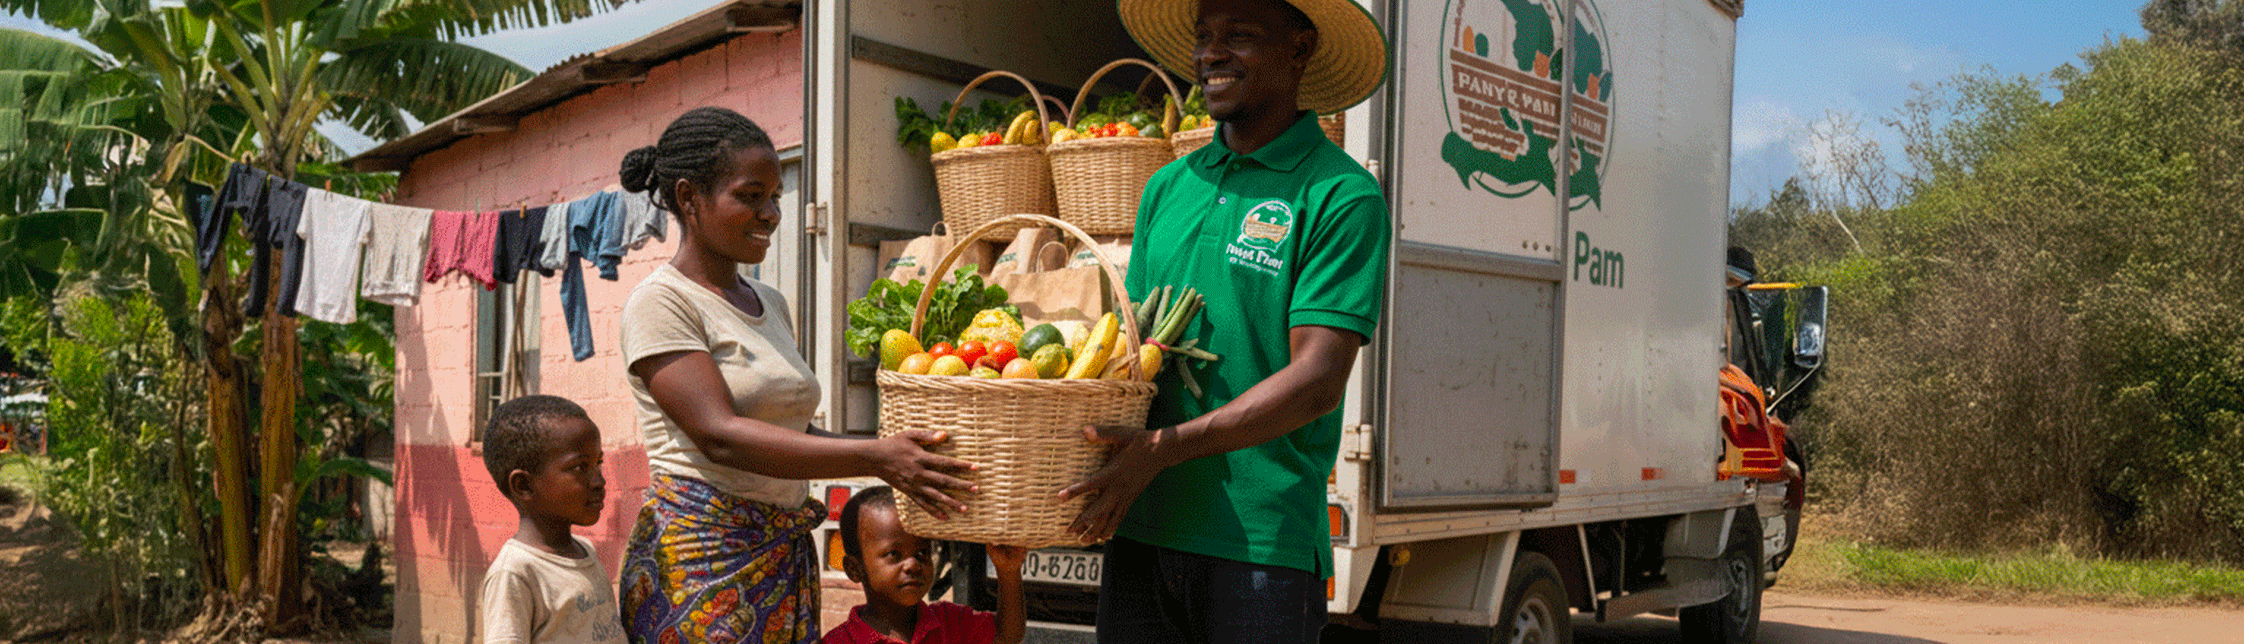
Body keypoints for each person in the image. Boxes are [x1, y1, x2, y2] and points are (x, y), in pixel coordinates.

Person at [1058, 0, 1393, 642]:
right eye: (1203, 36)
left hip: (1259, 547)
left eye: (1237, 36)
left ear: (1299, 49)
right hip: (1142, 527)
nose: (1210, 54)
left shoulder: (1340, 194)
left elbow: (1318, 379)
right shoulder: (1168, 185)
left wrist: (1164, 449)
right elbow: (1135, 353)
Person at [615, 107, 979, 644]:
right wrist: (875, 456)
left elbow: (789, 432)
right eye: (749, 196)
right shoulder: (661, 303)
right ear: (689, 198)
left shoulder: (769, 302)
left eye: (775, 198)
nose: (770, 215)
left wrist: (894, 456)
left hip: (779, 559)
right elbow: (720, 435)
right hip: (701, 566)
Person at [476, 395, 627, 644]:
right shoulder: (515, 573)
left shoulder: (584, 551)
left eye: (598, 463)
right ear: (524, 485)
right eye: (580, 467)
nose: (599, 481)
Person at [819, 487, 1028, 644]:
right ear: (854, 569)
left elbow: (1005, 635)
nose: (913, 565)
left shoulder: (949, 622)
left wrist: (1008, 571)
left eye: (922, 553)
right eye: (894, 554)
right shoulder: (840, 641)